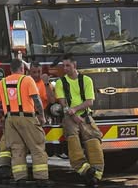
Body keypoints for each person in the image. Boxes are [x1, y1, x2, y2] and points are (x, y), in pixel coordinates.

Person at [0, 59, 48, 185]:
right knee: (37, 146)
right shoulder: (27, 80)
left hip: (10, 119)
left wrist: (1, 116)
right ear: (22, 69)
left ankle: (20, 178)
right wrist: (42, 116)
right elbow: (36, 99)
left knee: (17, 149)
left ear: (11, 69)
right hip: (27, 117)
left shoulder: (2, 83)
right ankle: (41, 179)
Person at [54, 54, 103, 186]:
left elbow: (90, 101)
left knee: (94, 139)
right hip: (69, 117)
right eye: (63, 66)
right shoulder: (60, 82)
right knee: (72, 140)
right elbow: (63, 103)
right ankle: (85, 169)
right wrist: (72, 114)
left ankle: (97, 174)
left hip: (85, 116)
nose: (65, 68)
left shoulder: (86, 80)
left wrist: (75, 110)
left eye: (67, 65)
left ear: (74, 65)